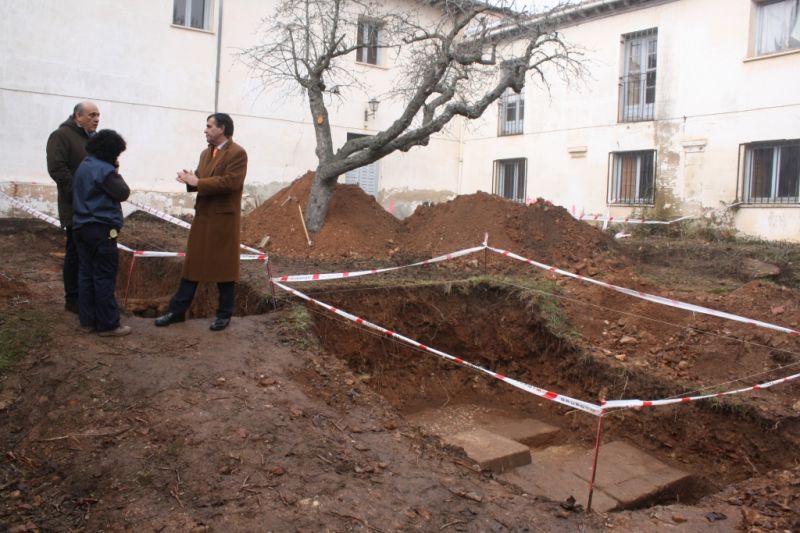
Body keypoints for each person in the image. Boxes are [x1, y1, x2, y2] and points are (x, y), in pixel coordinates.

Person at [155, 113, 248, 331]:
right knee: (192, 265)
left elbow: (230, 183)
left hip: (223, 219)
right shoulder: (206, 153)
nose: (205, 130)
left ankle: (224, 315)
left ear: (221, 129)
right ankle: (177, 312)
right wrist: (190, 179)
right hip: (204, 216)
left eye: (209, 126)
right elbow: (201, 178)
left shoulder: (238, 153)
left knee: (224, 269)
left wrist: (198, 181)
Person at [72, 129, 132, 337]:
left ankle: (88, 320)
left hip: (81, 227)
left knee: (86, 274)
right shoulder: (104, 170)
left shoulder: (84, 165)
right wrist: (116, 170)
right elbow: (122, 192)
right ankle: (108, 324)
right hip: (101, 228)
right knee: (104, 276)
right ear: (111, 151)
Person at [46, 101, 101, 314]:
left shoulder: (94, 139)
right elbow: (57, 168)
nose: (96, 119)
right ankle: (73, 299)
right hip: (75, 205)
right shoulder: (61, 136)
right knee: (75, 252)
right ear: (78, 116)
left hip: (96, 206)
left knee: (91, 254)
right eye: (91, 115)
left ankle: (89, 296)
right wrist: (78, 193)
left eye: (98, 115)